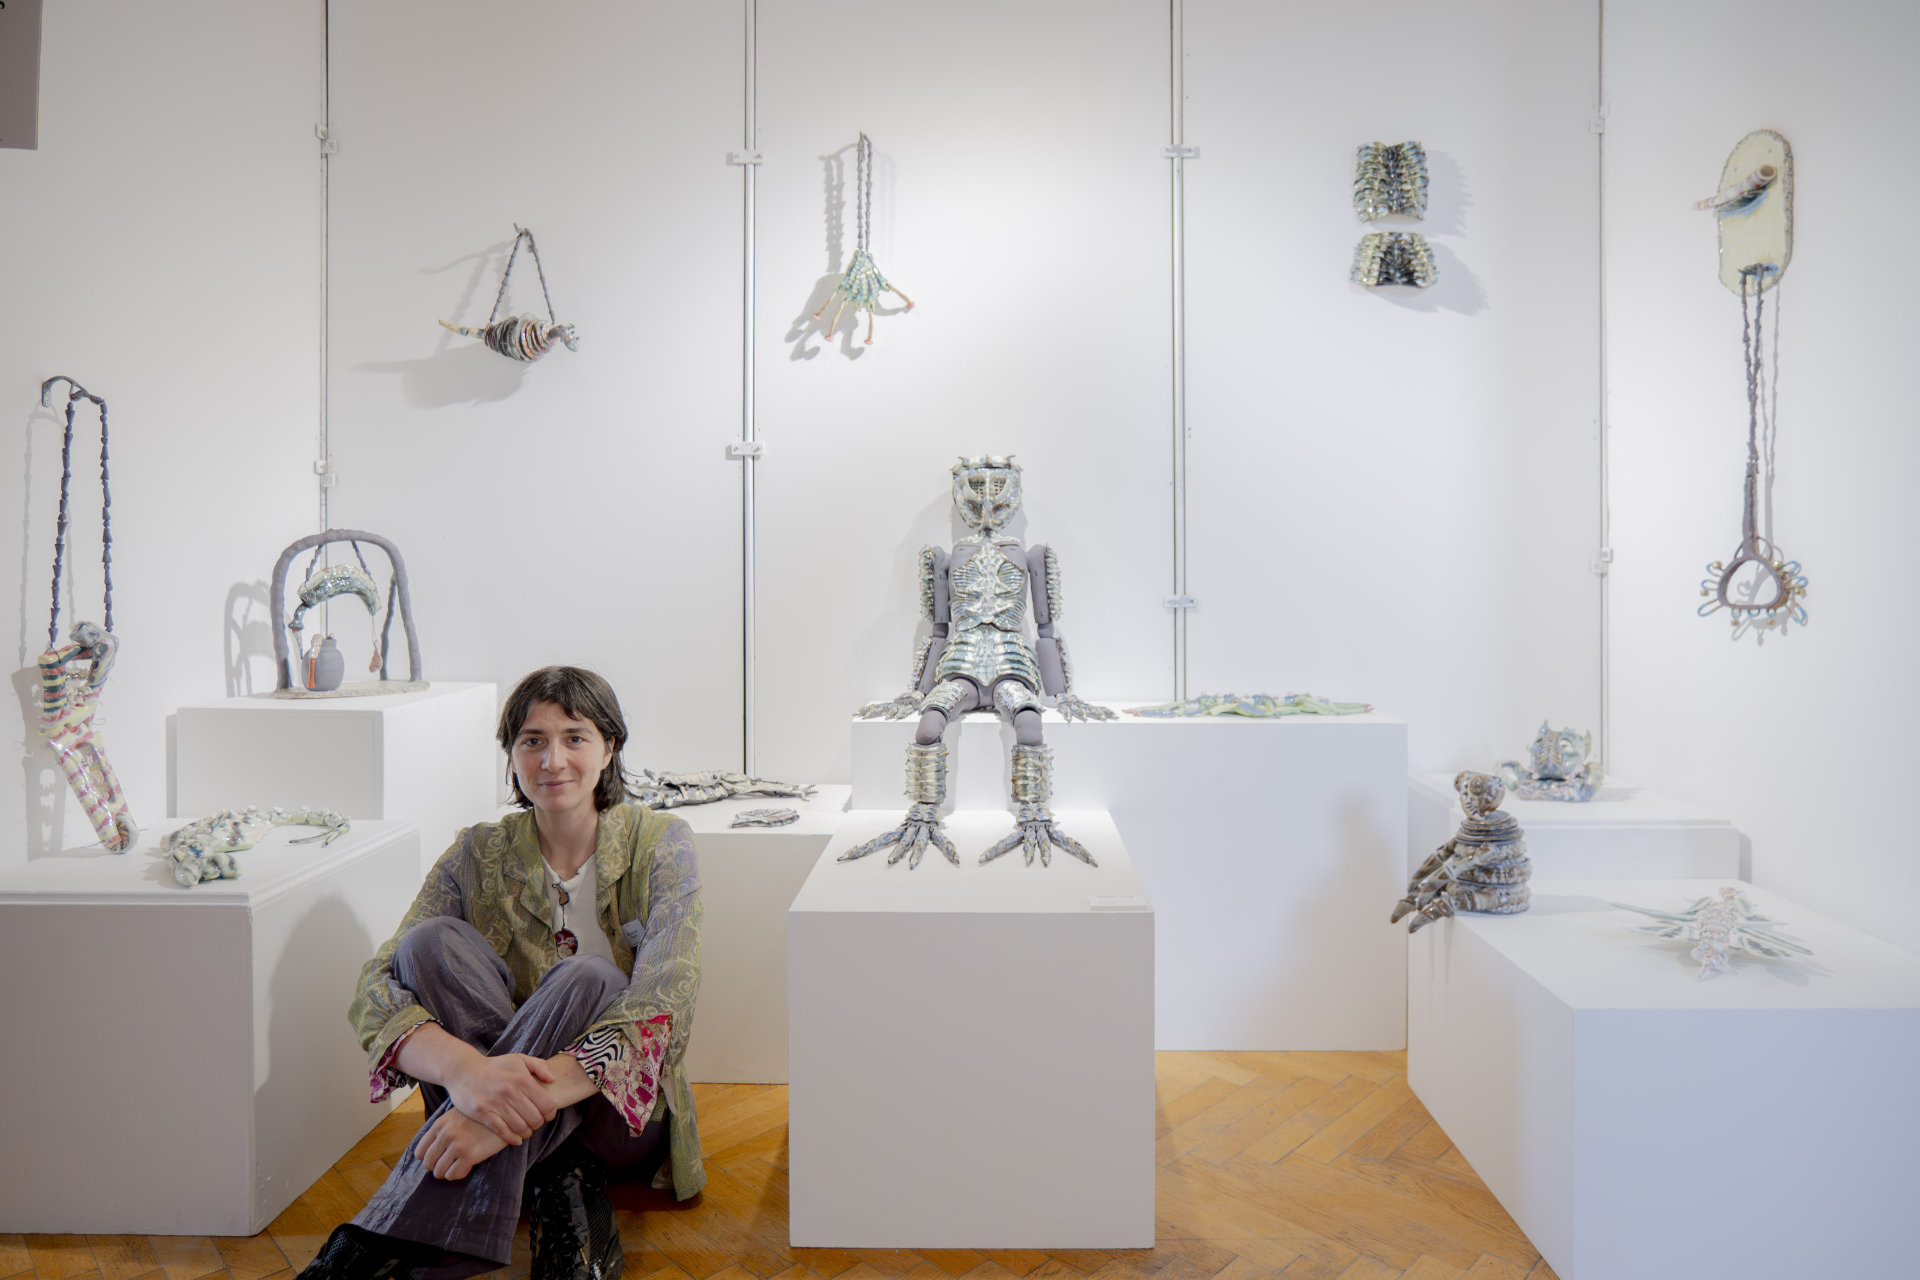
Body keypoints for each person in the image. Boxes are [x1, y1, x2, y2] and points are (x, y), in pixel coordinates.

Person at [299, 666, 705, 1280]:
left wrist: (498, 1114)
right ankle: (558, 1182)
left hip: (614, 1119)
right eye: (532, 740)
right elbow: (376, 984)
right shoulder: (476, 850)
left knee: (589, 978)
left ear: (609, 747)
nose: (552, 760)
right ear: (511, 755)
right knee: (429, 944)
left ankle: (382, 1234)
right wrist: (468, 1074)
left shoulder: (661, 844)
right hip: (478, 1096)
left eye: (574, 737)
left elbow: (667, 1003)